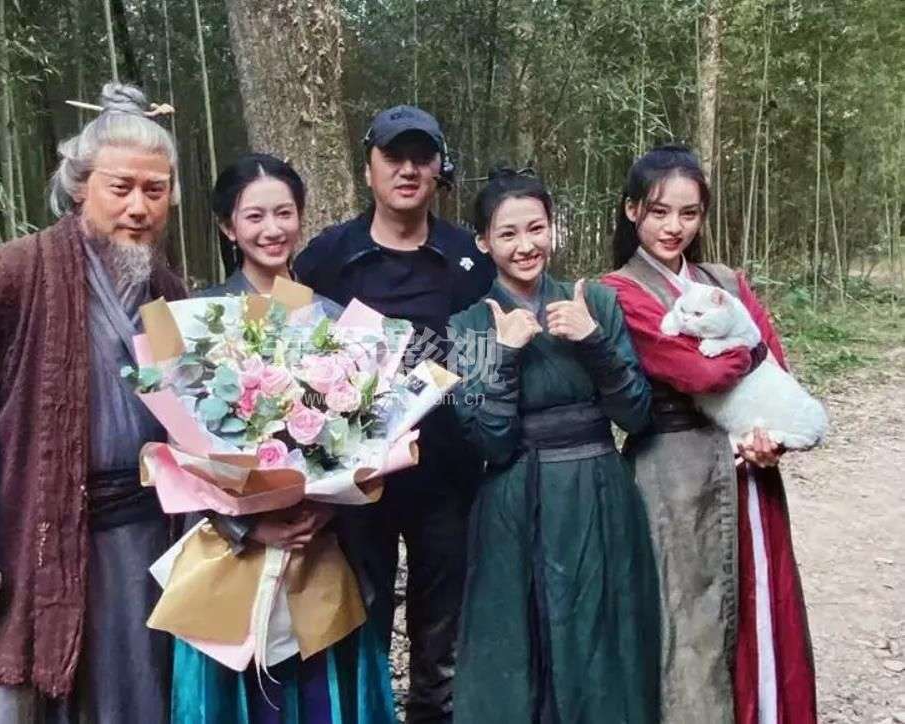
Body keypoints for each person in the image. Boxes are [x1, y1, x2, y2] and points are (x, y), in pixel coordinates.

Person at [0, 83, 187, 722]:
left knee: (142, 694)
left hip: (144, 548)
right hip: (34, 539)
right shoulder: (5, 282)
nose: (139, 207)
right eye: (120, 187)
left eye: (155, 190)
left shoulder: (169, 294)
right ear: (80, 186)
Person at [174, 153, 394, 723]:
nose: (272, 229)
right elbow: (179, 448)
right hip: (233, 556)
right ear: (228, 227)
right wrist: (248, 523)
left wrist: (328, 506)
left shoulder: (334, 321)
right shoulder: (195, 321)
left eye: (284, 213)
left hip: (319, 550)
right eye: (255, 216)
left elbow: (367, 437)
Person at [600, 145, 817, 724]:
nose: (674, 227)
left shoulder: (725, 281)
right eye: (659, 211)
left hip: (749, 465)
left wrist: (771, 439)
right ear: (631, 210)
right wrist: (746, 348)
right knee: (683, 618)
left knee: (758, 605)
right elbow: (698, 373)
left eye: (689, 213)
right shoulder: (618, 291)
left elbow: (778, 373)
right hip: (671, 474)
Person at [293, 105, 494, 722]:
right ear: (369, 168)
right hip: (360, 481)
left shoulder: (469, 257)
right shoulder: (328, 256)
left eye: (421, 158)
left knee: (443, 630)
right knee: (363, 619)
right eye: (393, 157)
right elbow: (296, 355)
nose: (408, 170)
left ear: (438, 169)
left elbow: (487, 360)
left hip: (449, 476)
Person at [448, 168, 660, 723]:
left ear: (552, 228)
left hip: (599, 493)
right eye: (508, 233)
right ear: (483, 242)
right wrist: (504, 355)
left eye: (536, 228)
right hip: (514, 501)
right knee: (520, 650)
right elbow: (490, 442)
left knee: (603, 643)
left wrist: (594, 341)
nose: (526, 246)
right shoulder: (468, 325)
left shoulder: (596, 302)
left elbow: (636, 414)